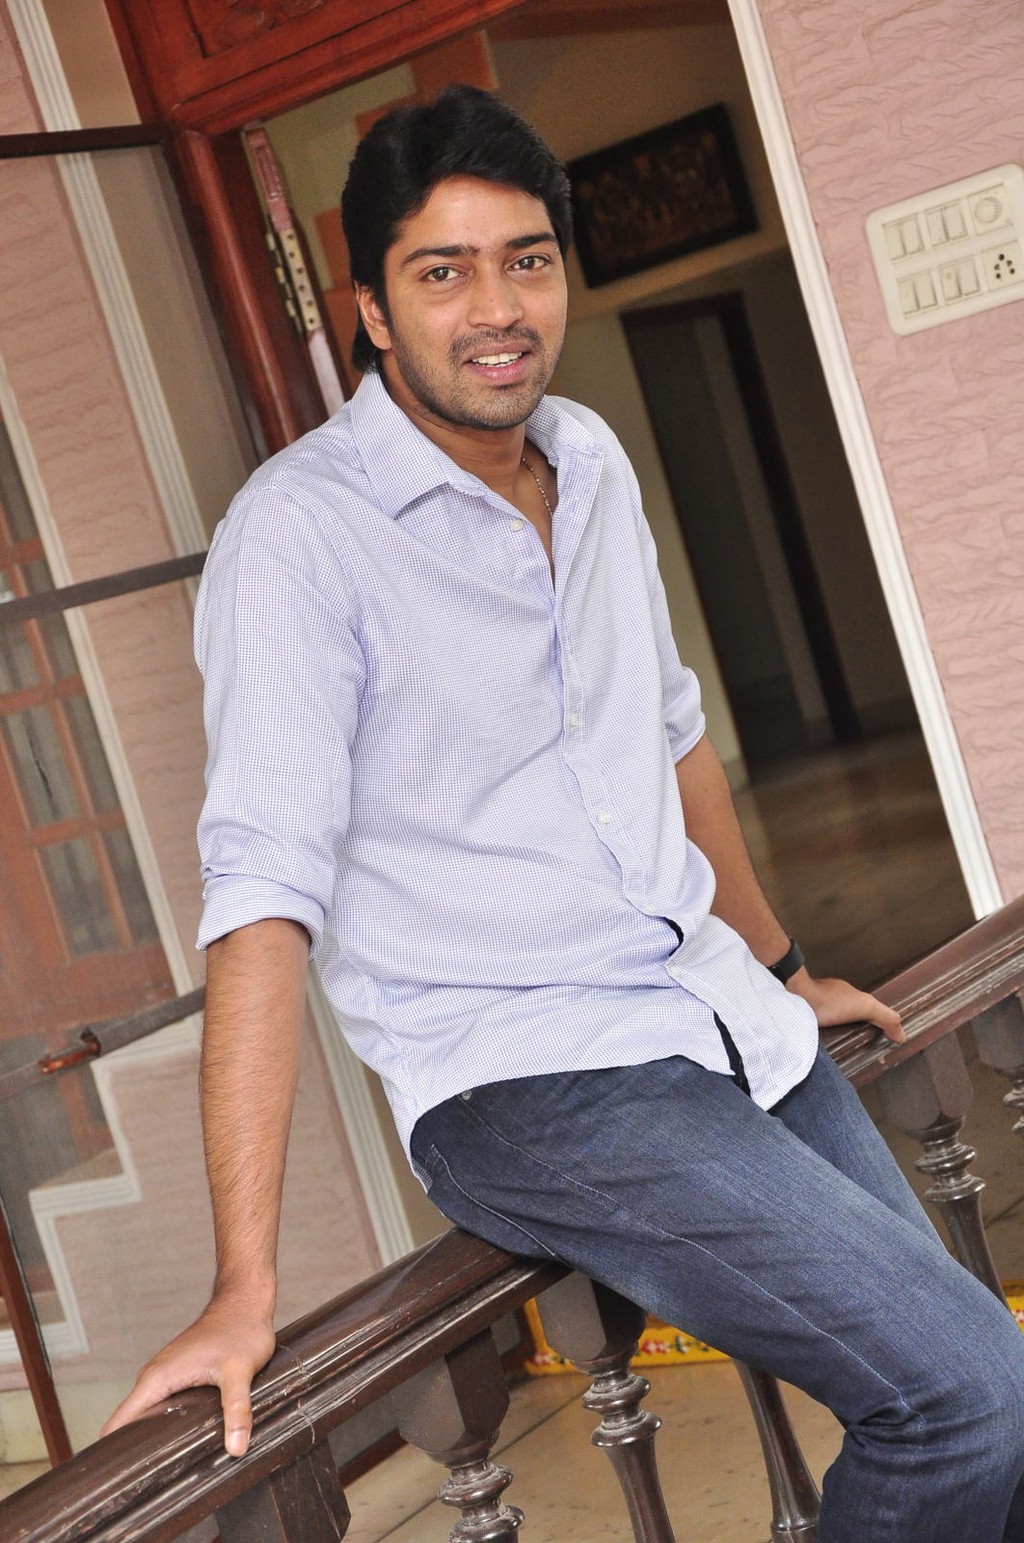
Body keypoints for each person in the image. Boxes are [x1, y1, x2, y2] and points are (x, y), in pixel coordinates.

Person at [104, 85, 1024, 1541]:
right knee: (973, 1399)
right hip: (532, 1080)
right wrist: (243, 1284)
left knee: (981, 1404)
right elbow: (263, 899)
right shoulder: (298, 538)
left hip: (713, 1014)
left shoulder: (587, 459)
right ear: (371, 309)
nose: (498, 308)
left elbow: (671, 737)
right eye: (443, 271)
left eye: (526, 260)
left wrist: (782, 968)